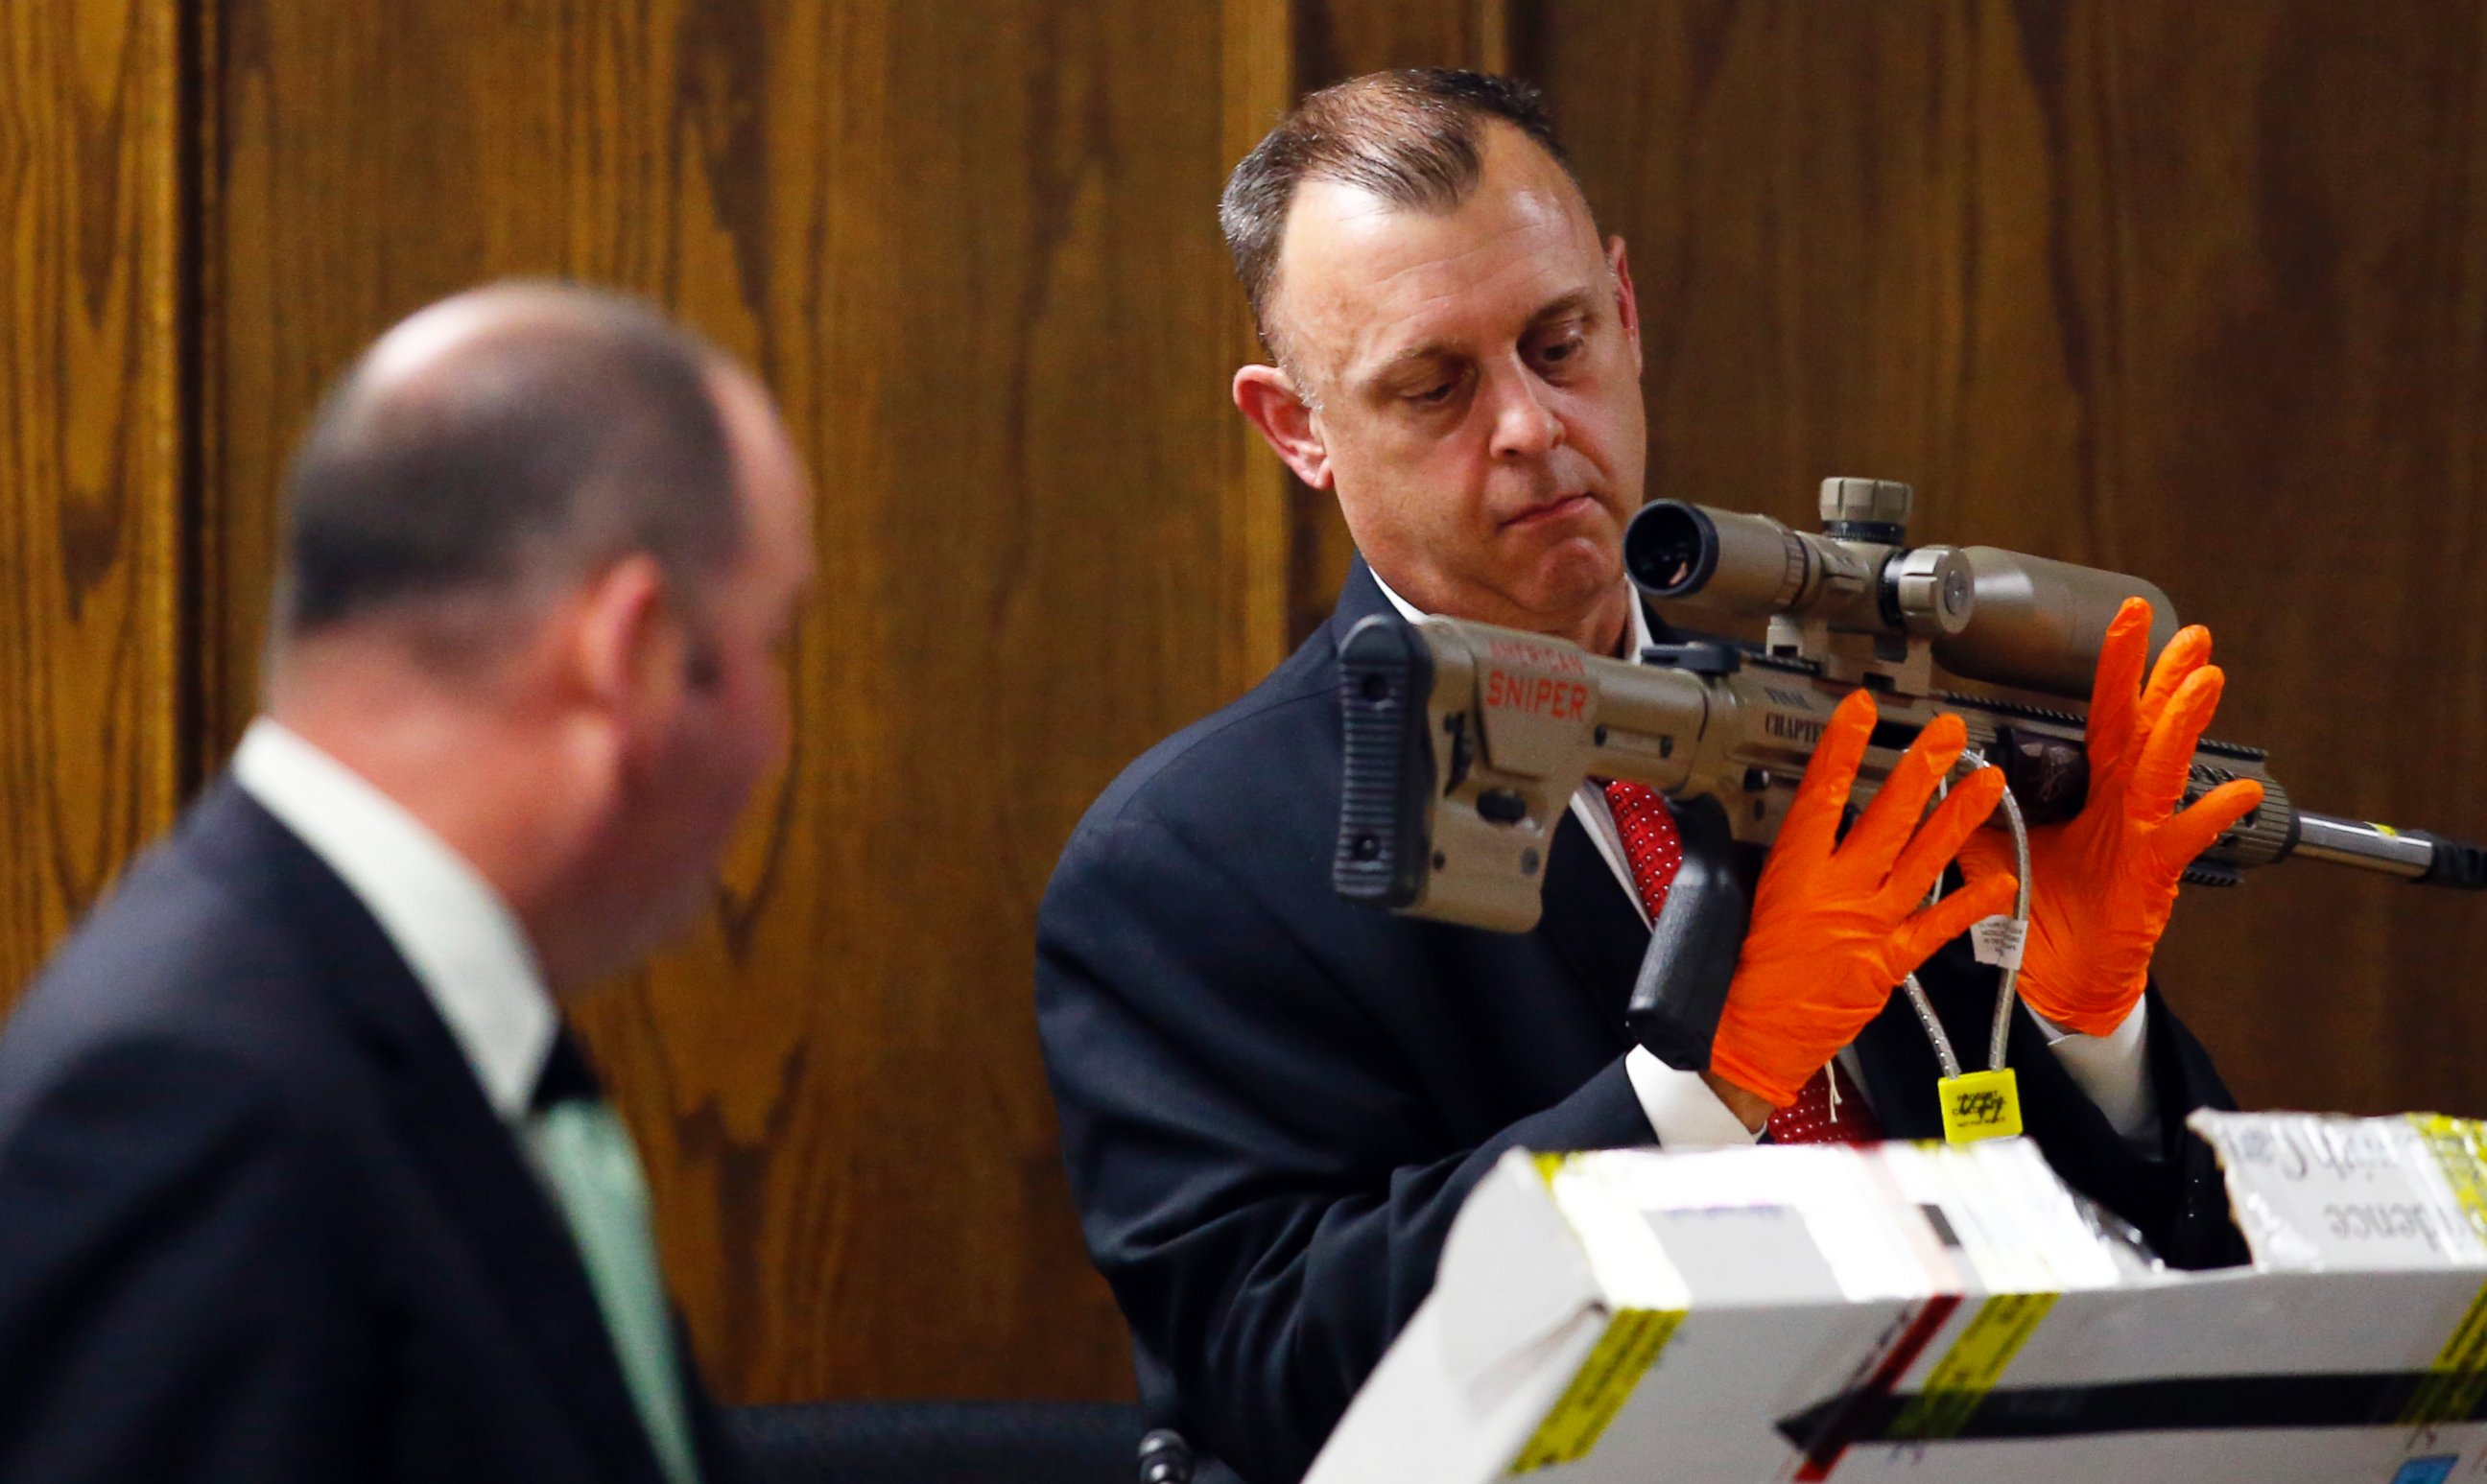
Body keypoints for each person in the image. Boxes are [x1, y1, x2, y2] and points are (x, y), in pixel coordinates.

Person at [1035, 70, 2262, 1484]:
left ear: (1625, 309)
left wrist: (2089, 1030)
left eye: (1558, 343)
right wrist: (1702, 1081)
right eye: (1434, 385)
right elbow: (1277, 1376)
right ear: (1295, 428)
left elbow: (2189, 1280)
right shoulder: (1185, 857)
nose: (1527, 425)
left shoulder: (1844, 733)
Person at [0, 283, 812, 1483]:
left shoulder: (376, 1018)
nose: (777, 731)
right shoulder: (193, 1098)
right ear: (633, 654)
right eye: (769, 644)